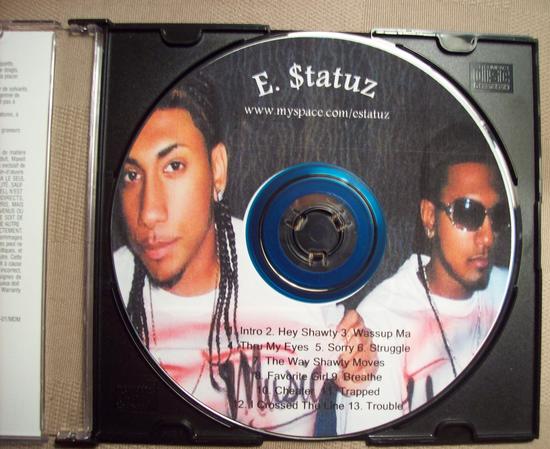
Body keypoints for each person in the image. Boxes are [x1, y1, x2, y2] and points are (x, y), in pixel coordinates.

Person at [112, 75, 374, 437]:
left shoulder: (285, 271)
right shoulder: (107, 292)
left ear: (217, 169)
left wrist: (359, 367)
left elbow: (356, 365)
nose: (149, 213)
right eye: (131, 174)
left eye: (173, 166)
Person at [336, 125, 511, 434]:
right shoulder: (380, 325)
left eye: (496, 216)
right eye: (468, 213)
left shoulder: (507, 289)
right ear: (430, 217)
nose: (487, 237)